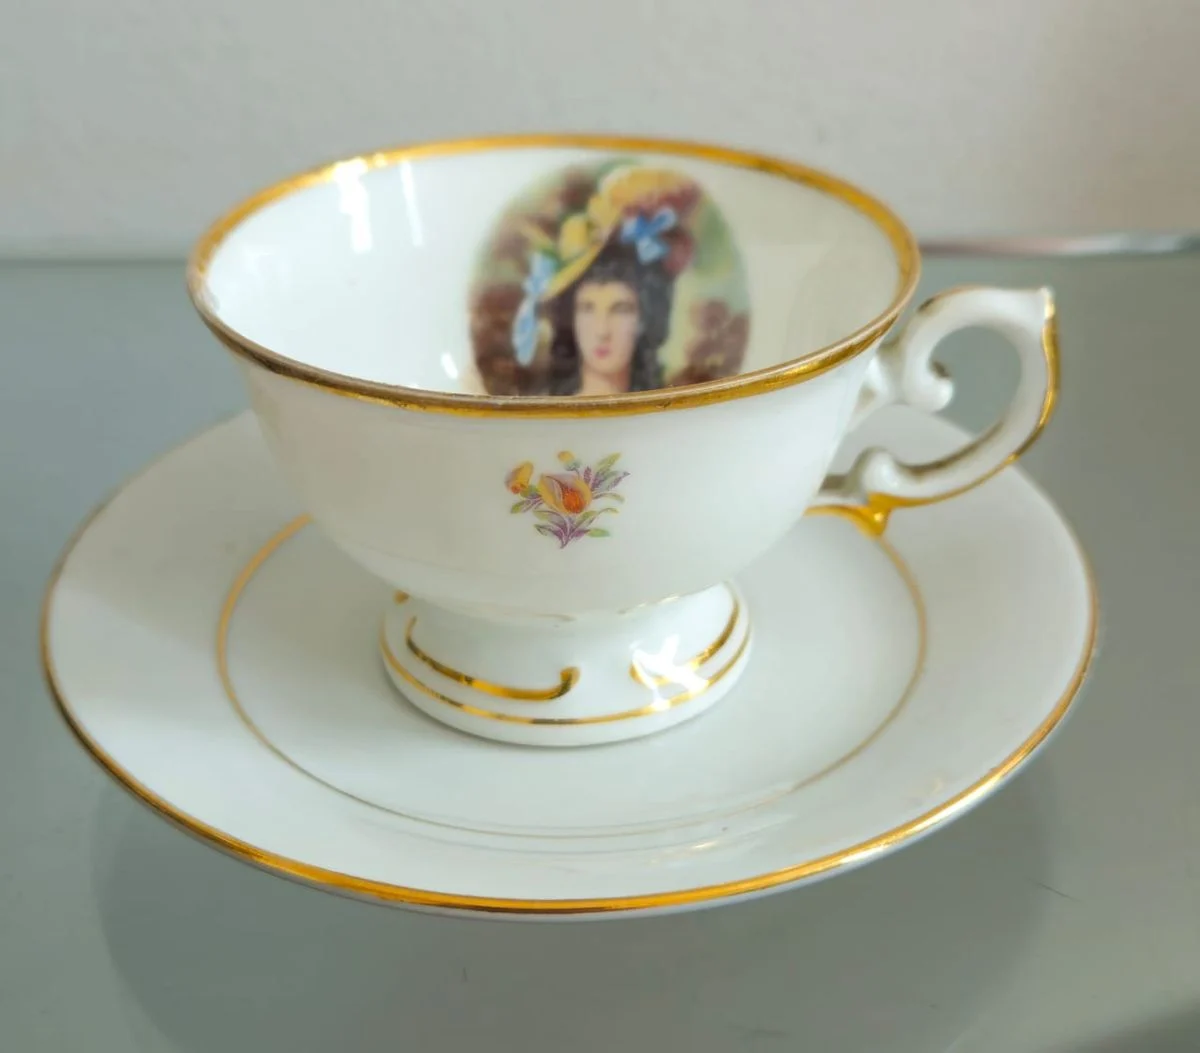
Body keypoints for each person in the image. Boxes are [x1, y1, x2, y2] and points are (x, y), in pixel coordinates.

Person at [546, 242, 670, 395]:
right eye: (587, 309)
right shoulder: (546, 408)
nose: (602, 331)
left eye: (620, 310)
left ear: (643, 320)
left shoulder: (666, 404)